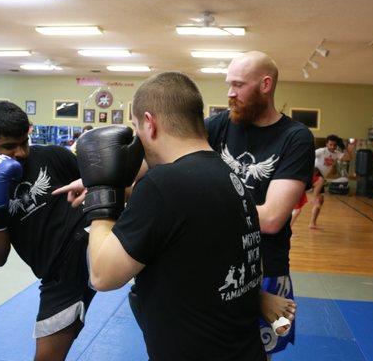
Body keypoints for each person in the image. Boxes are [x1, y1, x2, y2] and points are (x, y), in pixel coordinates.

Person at [64, 72, 267, 360]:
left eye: (137, 127)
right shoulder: (231, 177)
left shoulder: (163, 185)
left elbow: (102, 275)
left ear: (150, 122)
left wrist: (101, 194)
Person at [205, 51, 315, 356]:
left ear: (265, 84)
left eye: (238, 85)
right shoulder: (217, 126)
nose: (229, 93)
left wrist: (201, 210)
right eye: (229, 84)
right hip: (215, 262)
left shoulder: (296, 137)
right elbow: (160, 151)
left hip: (265, 265)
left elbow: (271, 219)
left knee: (258, 351)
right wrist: (101, 179)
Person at [0, 102, 94, 361]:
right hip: (58, 277)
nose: (21, 153)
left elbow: (99, 187)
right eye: (9, 147)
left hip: (92, 243)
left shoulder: (52, 156)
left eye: (24, 142)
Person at [311, 134, 355, 229]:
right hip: (314, 172)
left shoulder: (336, 153)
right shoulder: (321, 151)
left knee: (320, 201)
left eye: (334, 145)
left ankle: (312, 223)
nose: (332, 147)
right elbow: (309, 155)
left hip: (321, 176)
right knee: (321, 180)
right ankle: (313, 198)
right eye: (330, 144)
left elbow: (349, 158)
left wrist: (345, 148)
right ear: (327, 144)